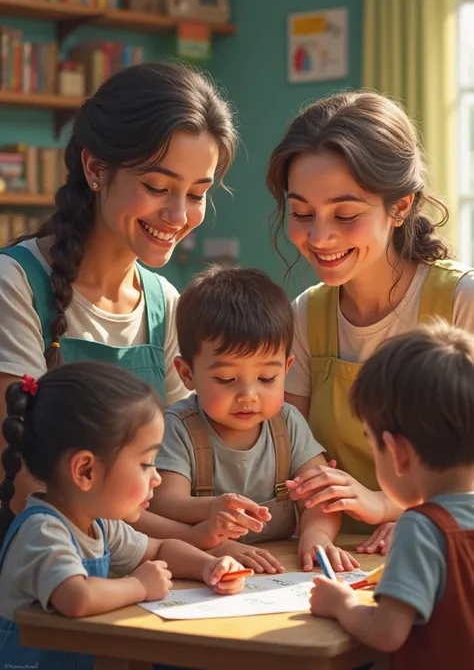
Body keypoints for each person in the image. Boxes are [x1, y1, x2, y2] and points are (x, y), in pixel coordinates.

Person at [0, 61, 237, 537]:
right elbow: (31, 489)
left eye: (196, 193)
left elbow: (175, 471)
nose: (178, 214)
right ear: (94, 167)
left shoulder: (164, 302)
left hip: (138, 574)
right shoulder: (15, 284)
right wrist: (181, 538)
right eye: (157, 187)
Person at [266, 90, 474, 553]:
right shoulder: (306, 314)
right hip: (328, 557)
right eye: (301, 213)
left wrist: (392, 507)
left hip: (444, 552)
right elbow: (288, 457)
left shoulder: (462, 301)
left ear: (400, 206)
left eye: (345, 214)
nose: (319, 237)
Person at [0, 362, 246, 670]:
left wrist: (209, 567)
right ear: (85, 471)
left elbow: (160, 549)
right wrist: (139, 586)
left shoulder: (98, 524)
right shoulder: (43, 531)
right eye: (145, 464)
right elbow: (77, 597)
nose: (156, 477)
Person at [153, 266, 359, 574]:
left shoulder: (287, 423)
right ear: (187, 374)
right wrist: (214, 530)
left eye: (266, 377)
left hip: (281, 568)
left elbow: (320, 497)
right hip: (205, 565)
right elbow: (164, 504)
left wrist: (316, 536)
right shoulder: (180, 425)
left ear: (287, 368)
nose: (248, 395)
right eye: (225, 379)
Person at [310, 321, 474, 668]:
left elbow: (388, 632)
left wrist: (342, 604)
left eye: (371, 443)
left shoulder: (421, 527)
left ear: (396, 452)